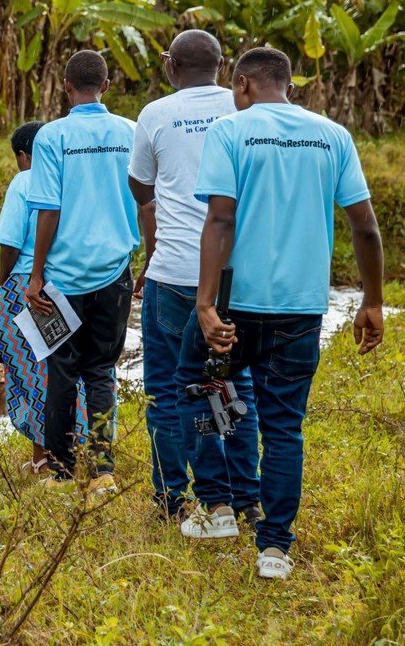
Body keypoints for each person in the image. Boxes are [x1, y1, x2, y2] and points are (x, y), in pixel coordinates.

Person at [180, 47, 384, 580]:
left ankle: (220, 505)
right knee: (284, 427)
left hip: (234, 308)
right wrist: (372, 300)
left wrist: (203, 303)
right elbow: (365, 227)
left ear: (244, 84)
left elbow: (220, 222)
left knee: (202, 383)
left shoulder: (231, 130)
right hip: (301, 310)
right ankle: (274, 549)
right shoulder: (332, 135)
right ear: (287, 84)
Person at [129, 30, 261, 529]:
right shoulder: (245, 110)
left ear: (169, 66)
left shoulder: (156, 115)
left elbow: (140, 183)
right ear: (224, 65)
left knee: (167, 391)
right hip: (231, 279)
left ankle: (174, 498)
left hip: (174, 274)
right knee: (230, 383)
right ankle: (243, 497)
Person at [26, 50, 138, 493]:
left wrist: (35, 275)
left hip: (61, 280)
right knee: (101, 371)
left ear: (65, 87)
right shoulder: (130, 132)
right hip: (115, 273)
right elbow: (146, 200)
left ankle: (58, 469)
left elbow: (48, 211)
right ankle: (103, 470)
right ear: (106, 86)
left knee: (62, 372)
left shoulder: (51, 137)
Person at [0, 121, 91, 473]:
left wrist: (5, 285)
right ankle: (79, 449)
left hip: (30, 286)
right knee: (65, 369)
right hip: (71, 285)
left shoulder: (25, 179)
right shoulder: (74, 178)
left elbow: (11, 241)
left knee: (33, 371)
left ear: (23, 155)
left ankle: (43, 457)